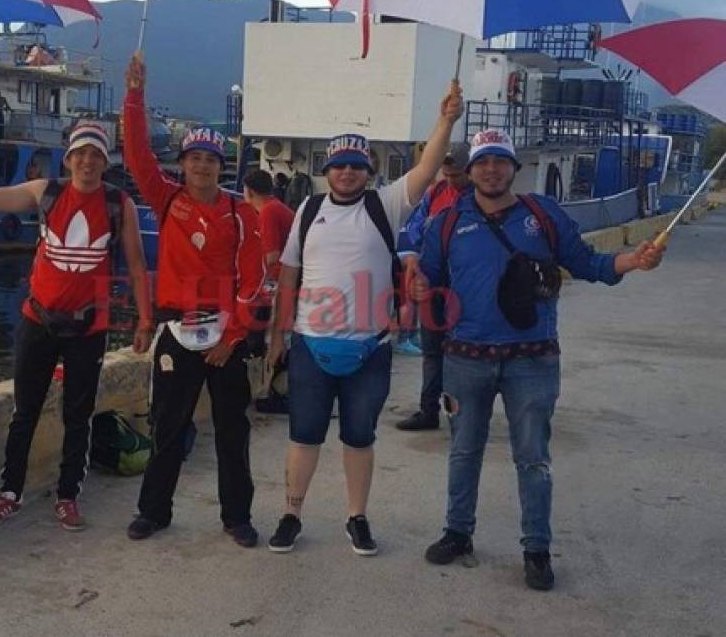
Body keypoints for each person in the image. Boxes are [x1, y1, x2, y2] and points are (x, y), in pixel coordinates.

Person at [412, 130, 665, 590]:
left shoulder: (542, 214)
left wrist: (633, 260)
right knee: (464, 451)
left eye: (501, 161)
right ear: (469, 172)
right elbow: (428, 281)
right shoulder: (445, 223)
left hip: (533, 361)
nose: (492, 170)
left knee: (533, 458)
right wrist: (419, 290)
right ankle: (457, 532)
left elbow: (589, 263)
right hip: (465, 359)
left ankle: (536, 549)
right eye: (483, 162)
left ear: (514, 168)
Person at [0, 120, 154, 532]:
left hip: (89, 328)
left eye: (96, 155)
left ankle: (68, 497)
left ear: (105, 162)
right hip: (38, 321)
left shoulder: (120, 204)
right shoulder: (45, 192)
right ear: (68, 158)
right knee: (23, 412)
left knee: (78, 415)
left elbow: (137, 266)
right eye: (80, 153)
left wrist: (144, 320)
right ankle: (10, 493)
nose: (87, 161)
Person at [266, 83, 464, 556]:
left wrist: (446, 122)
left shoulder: (386, 205)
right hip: (311, 344)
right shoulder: (307, 211)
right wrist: (277, 334)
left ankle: (357, 517)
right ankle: (292, 513)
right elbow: (289, 274)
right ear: (327, 171)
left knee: (359, 436)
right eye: (340, 166)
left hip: (370, 347)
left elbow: (426, 168)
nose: (348, 173)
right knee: (304, 436)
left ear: (368, 171)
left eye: (357, 166)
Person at [123, 53, 265, 548]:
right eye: (193, 158)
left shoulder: (240, 211)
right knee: (167, 426)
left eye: (210, 159)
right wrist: (134, 96)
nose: (202, 166)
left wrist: (235, 335)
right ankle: (153, 511)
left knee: (232, 432)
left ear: (220, 167)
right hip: (175, 333)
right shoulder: (166, 200)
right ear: (181, 165)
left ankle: (237, 517)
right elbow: (137, 154)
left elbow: (254, 278)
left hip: (225, 338)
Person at [395, 141, 471, 431]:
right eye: (447, 173)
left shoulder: (482, 200)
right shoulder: (436, 193)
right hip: (433, 288)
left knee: (463, 357)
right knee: (432, 353)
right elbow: (410, 229)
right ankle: (428, 410)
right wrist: (411, 257)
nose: (452, 180)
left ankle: (461, 415)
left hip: (467, 291)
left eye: (458, 175)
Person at [242, 169, 295, 414]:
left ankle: (270, 394)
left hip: (279, 284)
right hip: (291, 283)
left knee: (270, 341)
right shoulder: (278, 208)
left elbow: (271, 256)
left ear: (249, 191)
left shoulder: (267, 213)